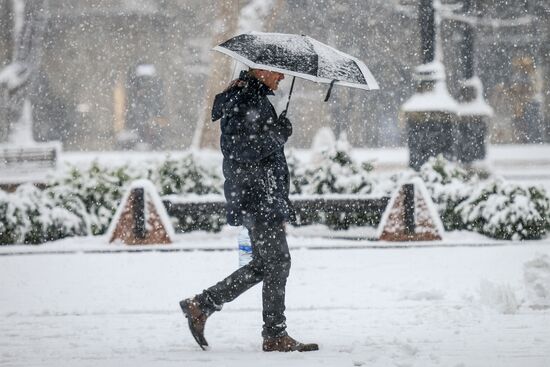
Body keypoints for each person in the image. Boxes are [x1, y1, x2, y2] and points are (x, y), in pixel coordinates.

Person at [179, 68, 318, 352]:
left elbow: (252, 147)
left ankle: (201, 305)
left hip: (261, 195)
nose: (281, 77)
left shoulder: (251, 98)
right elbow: (240, 150)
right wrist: (278, 135)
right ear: (260, 69)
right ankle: (275, 334)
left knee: (263, 264)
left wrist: (276, 133)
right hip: (258, 198)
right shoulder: (244, 100)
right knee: (278, 262)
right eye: (277, 72)